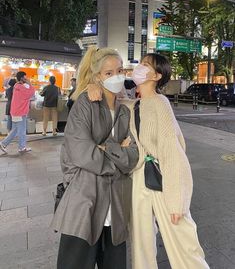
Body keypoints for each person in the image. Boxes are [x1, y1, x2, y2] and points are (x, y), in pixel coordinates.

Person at [87, 53, 210, 269]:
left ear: (157, 75)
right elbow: (111, 100)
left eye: (146, 65)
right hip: (138, 180)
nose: (139, 68)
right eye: (140, 64)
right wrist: (92, 86)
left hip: (162, 180)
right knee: (141, 245)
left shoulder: (160, 103)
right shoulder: (133, 104)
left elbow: (173, 153)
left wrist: (177, 200)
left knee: (183, 241)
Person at [51, 46, 139, 269]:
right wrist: (118, 152)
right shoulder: (85, 104)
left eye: (119, 70)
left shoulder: (125, 110)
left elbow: (134, 155)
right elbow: (82, 153)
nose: (116, 76)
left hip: (117, 204)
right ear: (98, 76)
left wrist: (105, 147)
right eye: (109, 73)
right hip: (85, 200)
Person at [0, 71, 35, 154]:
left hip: (15, 112)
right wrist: (29, 83)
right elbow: (31, 93)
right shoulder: (22, 87)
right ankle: (22, 147)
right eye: (25, 77)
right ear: (22, 78)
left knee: (15, 131)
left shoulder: (16, 86)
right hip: (20, 112)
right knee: (22, 131)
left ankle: (3, 143)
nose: (27, 79)